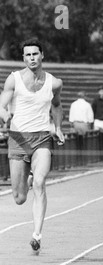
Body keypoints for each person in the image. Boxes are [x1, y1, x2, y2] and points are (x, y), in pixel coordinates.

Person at [0, 38, 65, 252]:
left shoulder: (54, 83)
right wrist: (5, 115)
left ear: (42, 55)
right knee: (19, 198)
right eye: (27, 55)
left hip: (42, 138)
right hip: (18, 139)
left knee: (40, 182)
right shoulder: (14, 79)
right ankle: (27, 180)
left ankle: (37, 234)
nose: (32, 58)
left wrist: (58, 127)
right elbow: (1, 105)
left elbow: (56, 106)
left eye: (35, 54)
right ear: (23, 58)